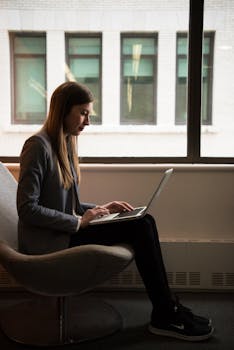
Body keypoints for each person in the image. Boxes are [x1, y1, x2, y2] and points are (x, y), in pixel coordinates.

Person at [17, 81, 214, 342]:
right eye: (83, 112)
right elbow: (27, 209)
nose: (87, 121)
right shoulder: (37, 146)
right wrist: (79, 223)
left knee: (143, 219)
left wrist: (99, 209)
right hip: (49, 242)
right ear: (63, 110)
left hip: (65, 230)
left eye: (89, 114)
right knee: (140, 227)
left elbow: (67, 205)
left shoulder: (65, 143)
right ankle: (166, 312)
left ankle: (168, 308)